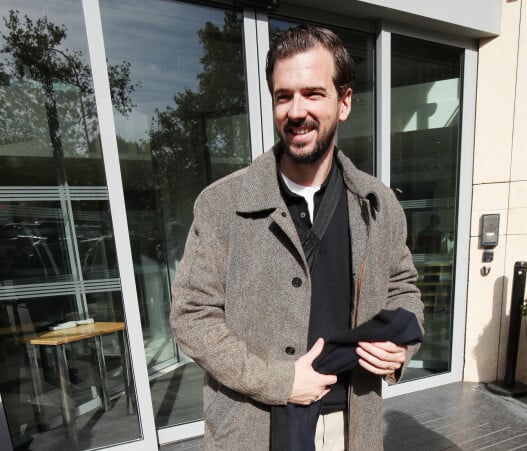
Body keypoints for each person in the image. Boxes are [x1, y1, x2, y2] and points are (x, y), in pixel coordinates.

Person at [170, 25, 424, 451]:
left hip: (353, 425)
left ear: (344, 102)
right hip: (256, 429)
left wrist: (401, 350)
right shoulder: (221, 205)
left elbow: (404, 288)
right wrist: (279, 381)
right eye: (284, 96)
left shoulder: (377, 202)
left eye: (313, 93)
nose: (296, 110)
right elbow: (192, 316)